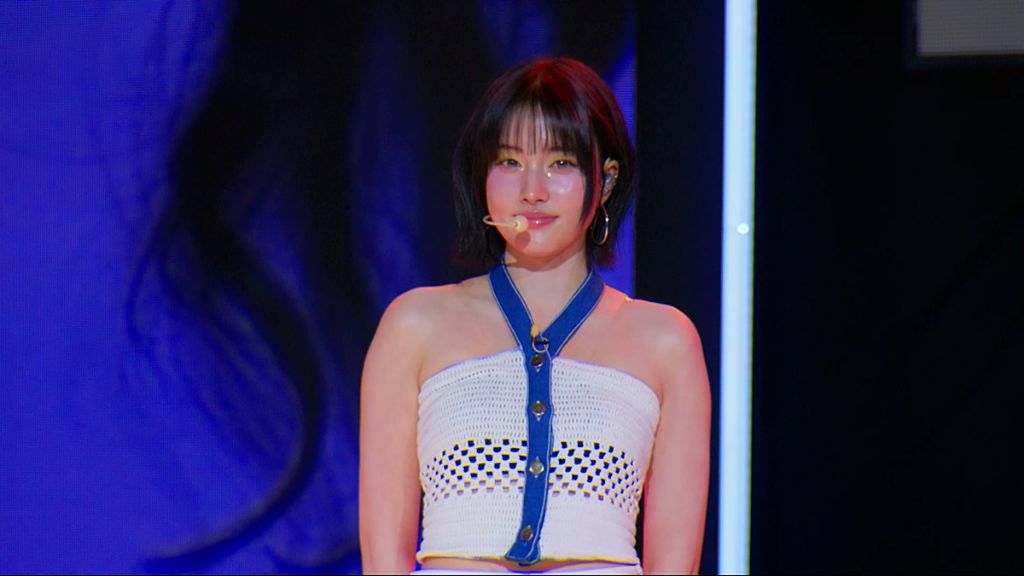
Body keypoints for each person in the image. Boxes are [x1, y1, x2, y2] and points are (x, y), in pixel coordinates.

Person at [359, 57, 710, 575]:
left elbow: (674, 564)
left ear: (605, 181)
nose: (533, 190)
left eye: (561, 163)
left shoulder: (666, 341)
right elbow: (383, 556)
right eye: (509, 161)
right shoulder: (414, 326)